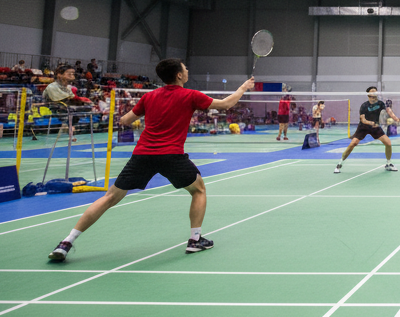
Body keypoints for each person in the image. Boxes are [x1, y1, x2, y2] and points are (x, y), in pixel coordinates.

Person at [48, 60, 253, 262]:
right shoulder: (191, 95)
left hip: (143, 154)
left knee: (110, 197)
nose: (187, 70)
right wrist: (243, 87)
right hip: (171, 155)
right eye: (185, 68)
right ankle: (195, 240)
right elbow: (226, 104)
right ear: (179, 75)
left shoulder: (149, 96)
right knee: (198, 190)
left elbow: (125, 120)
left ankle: (66, 242)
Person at [337, 86, 396, 172]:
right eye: (372, 91)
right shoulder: (364, 106)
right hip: (363, 127)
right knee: (353, 143)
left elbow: (388, 111)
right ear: (368, 94)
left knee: (388, 143)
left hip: (375, 128)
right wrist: (371, 123)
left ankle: (388, 163)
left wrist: (396, 118)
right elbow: (363, 120)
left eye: (375, 91)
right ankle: (339, 164)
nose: (374, 93)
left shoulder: (380, 103)